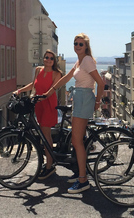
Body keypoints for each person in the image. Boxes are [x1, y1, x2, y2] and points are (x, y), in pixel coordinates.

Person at [44, 33, 105, 194]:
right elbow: (66, 78)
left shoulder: (87, 60)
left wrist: (97, 102)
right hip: (79, 98)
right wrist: (50, 92)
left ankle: (83, 180)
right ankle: (80, 173)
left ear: (86, 46)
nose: (77, 46)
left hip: (84, 98)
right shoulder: (79, 61)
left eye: (80, 44)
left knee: (76, 141)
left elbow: (100, 82)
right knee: (77, 140)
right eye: (75, 43)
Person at [14, 50, 62, 180]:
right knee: (42, 134)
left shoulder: (57, 74)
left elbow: (51, 91)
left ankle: (49, 166)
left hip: (48, 105)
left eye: (51, 58)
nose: (48, 60)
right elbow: (33, 84)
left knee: (45, 135)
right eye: (46, 57)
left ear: (54, 61)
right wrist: (20, 90)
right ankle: (49, 161)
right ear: (43, 58)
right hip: (38, 105)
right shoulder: (38, 70)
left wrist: (41, 98)